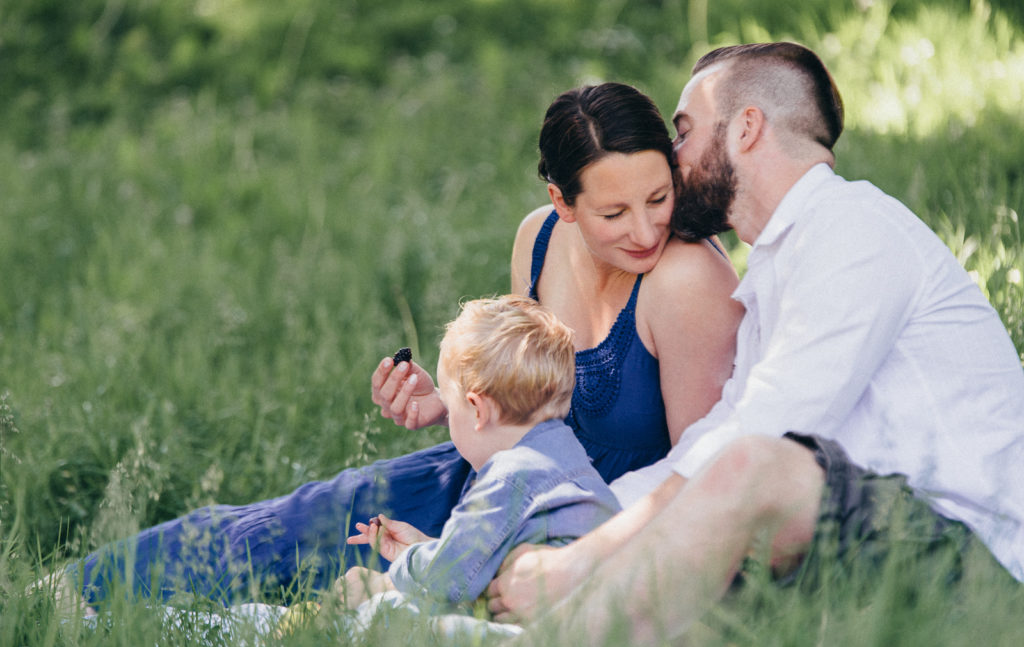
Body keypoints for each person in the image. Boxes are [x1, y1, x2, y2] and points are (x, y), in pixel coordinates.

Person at [69, 82, 742, 606]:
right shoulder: (540, 238)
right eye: (613, 212)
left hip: (581, 522)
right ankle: (67, 597)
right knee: (307, 521)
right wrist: (452, 401)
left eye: (659, 197)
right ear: (563, 202)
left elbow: (697, 477)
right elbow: (526, 392)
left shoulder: (685, 281)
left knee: (377, 582)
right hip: (493, 477)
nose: (646, 229)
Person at [486, 42, 1024, 647]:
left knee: (751, 467)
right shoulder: (778, 265)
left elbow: (753, 447)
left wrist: (580, 561)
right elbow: (705, 447)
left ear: (745, 129)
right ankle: (493, 631)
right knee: (701, 563)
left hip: (981, 564)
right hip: (869, 538)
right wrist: (567, 533)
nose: (673, 156)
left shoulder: (853, 229)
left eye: (684, 132)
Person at [336, 294, 620, 609]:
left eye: (452, 410)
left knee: (389, 614)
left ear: (477, 410)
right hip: (607, 615)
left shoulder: (509, 477)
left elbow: (449, 581)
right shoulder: (574, 464)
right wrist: (429, 547)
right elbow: (480, 566)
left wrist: (385, 578)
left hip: (555, 622)